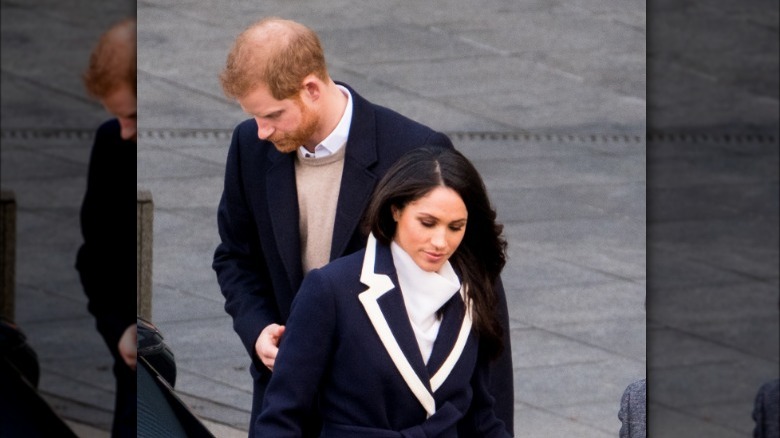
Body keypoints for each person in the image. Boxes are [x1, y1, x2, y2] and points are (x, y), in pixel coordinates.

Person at [212, 17, 514, 436]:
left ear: (311, 89)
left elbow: (477, 289)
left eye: (273, 115)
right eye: (255, 118)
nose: (261, 131)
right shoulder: (249, 146)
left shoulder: (416, 151)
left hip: (382, 407)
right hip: (287, 400)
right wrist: (258, 327)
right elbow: (235, 256)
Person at [256, 147, 510, 437]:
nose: (441, 241)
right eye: (427, 223)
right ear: (396, 210)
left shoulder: (470, 293)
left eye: (456, 227)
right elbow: (283, 415)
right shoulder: (330, 289)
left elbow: (480, 417)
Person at [76, 17, 137, 438]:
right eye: (117, 117)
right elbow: (93, 259)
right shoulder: (111, 142)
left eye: (133, 116)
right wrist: (119, 329)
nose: (125, 130)